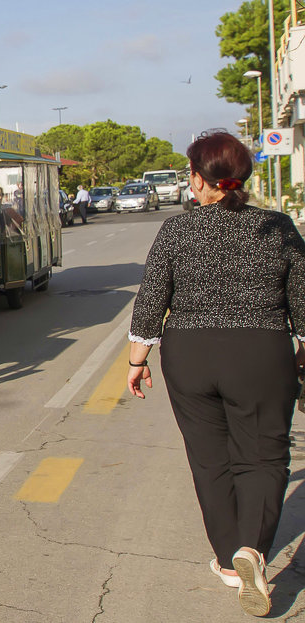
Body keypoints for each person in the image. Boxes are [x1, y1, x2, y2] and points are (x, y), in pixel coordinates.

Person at [126, 130, 305, 617]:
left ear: (201, 181)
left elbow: (150, 301)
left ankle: (230, 563)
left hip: (190, 354)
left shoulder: (177, 230)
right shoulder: (279, 227)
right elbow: (303, 303)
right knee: (264, 457)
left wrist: (138, 360)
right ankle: (252, 549)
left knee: (210, 460)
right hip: (261, 351)